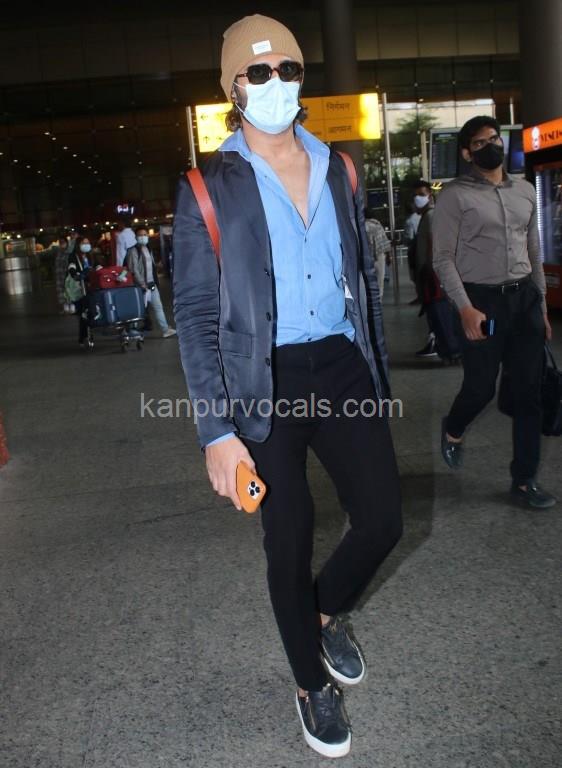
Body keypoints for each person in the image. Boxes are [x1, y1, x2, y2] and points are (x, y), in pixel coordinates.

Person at [172, 14, 402, 759]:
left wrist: (373, 371)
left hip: (339, 363)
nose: (277, 84)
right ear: (233, 87)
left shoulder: (339, 167)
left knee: (383, 521)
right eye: (260, 73)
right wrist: (216, 431)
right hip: (259, 377)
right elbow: (196, 314)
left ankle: (322, 616)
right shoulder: (208, 185)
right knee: (290, 536)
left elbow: (360, 280)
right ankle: (310, 684)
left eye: (289, 71)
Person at [433, 115, 556, 509]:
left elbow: (533, 251)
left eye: (494, 138)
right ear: (468, 153)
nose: (491, 146)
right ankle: (453, 428)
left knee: (529, 393)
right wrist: (465, 308)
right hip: (482, 304)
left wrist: (542, 306)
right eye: (480, 142)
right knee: (481, 387)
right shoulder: (454, 196)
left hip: (524, 301)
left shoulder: (525, 191)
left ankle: (524, 480)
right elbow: (443, 258)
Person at [126, 227, 176, 338]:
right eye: (140, 235)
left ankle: (165, 329)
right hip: (140, 286)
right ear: (136, 237)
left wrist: (157, 268)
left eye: (145, 235)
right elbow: (133, 270)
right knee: (138, 309)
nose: (143, 237)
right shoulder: (133, 251)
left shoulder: (148, 248)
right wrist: (142, 283)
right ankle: (132, 331)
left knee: (158, 307)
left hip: (151, 284)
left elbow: (151, 265)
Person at [412, 181, 438, 357]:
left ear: (430, 195)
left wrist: (429, 268)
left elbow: (433, 242)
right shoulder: (426, 216)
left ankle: (436, 342)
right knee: (430, 309)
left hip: (430, 272)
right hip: (425, 271)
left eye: (421, 194)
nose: (417, 199)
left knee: (434, 309)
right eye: (415, 195)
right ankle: (434, 341)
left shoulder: (431, 216)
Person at [67, 236, 92, 346]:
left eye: (87, 242)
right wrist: (75, 274)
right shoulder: (73, 256)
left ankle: (88, 333)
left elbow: (97, 266)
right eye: (83, 243)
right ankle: (83, 336)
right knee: (83, 313)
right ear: (78, 245)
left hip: (90, 287)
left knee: (89, 310)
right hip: (79, 288)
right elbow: (71, 267)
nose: (86, 245)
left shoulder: (91, 256)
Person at [364, 208, 391, 299]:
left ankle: (370, 299)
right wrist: (388, 256)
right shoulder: (377, 225)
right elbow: (384, 241)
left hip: (367, 257)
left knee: (368, 280)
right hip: (379, 256)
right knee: (380, 280)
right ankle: (379, 299)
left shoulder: (362, 226)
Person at [54, 236, 70, 313]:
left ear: (67, 243)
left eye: (63, 242)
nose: (61, 244)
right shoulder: (58, 252)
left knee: (68, 290)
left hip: (66, 274)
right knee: (61, 291)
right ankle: (64, 306)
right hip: (59, 275)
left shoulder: (68, 253)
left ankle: (70, 305)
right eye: (60, 243)